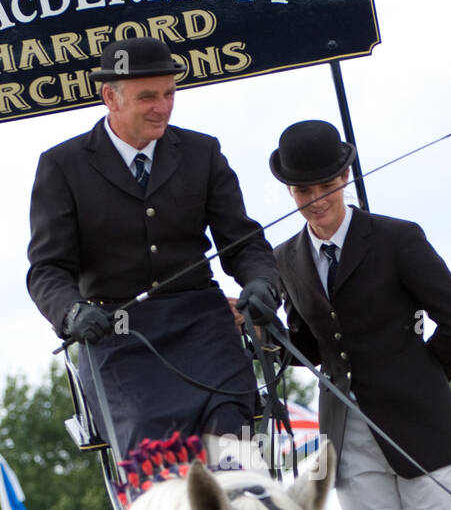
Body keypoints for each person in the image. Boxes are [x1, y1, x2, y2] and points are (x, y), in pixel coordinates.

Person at [27, 37, 279, 471]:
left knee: (235, 456)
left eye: (169, 94)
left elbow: (243, 241)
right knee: (156, 462)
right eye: (148, 97)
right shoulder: (62, 166)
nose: (162, 107)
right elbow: (47, 270)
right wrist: (71, 314)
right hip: (119, 340)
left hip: (204, 333)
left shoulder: (203, 152)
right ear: (110, 96)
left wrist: (261, 282)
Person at [270, 119, 451, 510]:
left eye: (326, 186)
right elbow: (307, 348)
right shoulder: (285, 258)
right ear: (289, 189)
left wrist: (422, 380)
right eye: (305, 189)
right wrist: (254, 324)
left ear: (345, 178)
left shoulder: (396, 238)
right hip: (347, 437)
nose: (317, 199)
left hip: (422, 429)